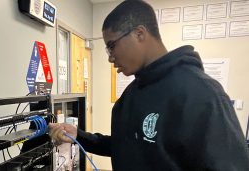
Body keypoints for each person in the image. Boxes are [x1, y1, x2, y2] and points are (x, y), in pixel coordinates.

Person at [49, 0, 249, 170]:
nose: (110, 58)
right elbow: (126, 146)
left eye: (111, 46)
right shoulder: (131, 94)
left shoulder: (202, 93)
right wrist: (80, 136)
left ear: (139, 34)